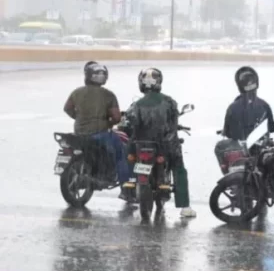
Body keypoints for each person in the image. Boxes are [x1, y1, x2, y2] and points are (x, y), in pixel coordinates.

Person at [127, 68, 196, 218]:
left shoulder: (137, 104)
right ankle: (185, 206)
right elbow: (173, 125)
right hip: (164, 145)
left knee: (129, 158)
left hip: (141, 145)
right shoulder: (169, 102)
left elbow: (132, 124)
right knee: (179, 168)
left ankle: (128, 187)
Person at [63, 61, 131, 199]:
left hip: (79, 134)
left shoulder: (77, 92)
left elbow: (67, 108)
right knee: (121, 152)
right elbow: (117, 117)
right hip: (100, 134)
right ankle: (126, 189)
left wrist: (78, 118)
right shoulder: (108, 95)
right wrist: (109, 123)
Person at [222, 66, 274, 141]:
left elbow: (227, 133)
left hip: (241, 149)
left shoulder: (232, 108)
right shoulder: (265, 105)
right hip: (261, 149)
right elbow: (271, 129)